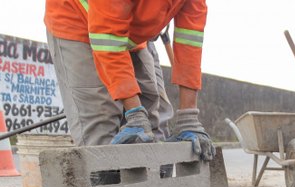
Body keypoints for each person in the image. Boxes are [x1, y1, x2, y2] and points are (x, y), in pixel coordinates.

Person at [44, 0, 214, 158]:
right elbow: (108, 39)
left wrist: (189, 117)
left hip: (130, 29)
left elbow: (190, 40)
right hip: (77, 23)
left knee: (153, 118)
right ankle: (105, 182)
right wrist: (134, 113)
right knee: (101, 126)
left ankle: (153, 185)